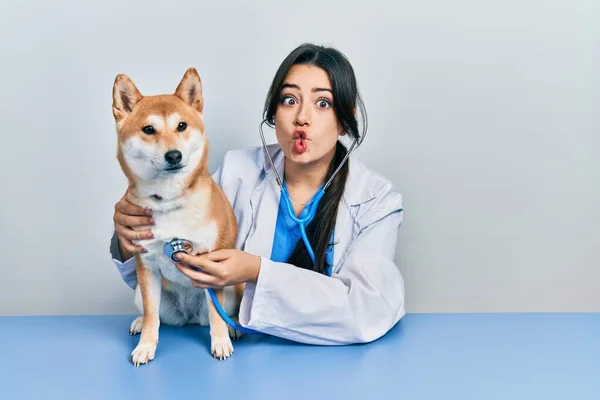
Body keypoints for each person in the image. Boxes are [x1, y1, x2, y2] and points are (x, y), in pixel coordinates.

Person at [110, 43, 406, 345]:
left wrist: (256, 271)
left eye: (323, 103)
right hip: (244, 359)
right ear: (273, 113)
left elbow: (368, 310)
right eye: (289, 100)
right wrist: (126, 238)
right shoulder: (237, 171)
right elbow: (170, 273)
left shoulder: (377, 201)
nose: (302, 118)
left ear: (345, 120)